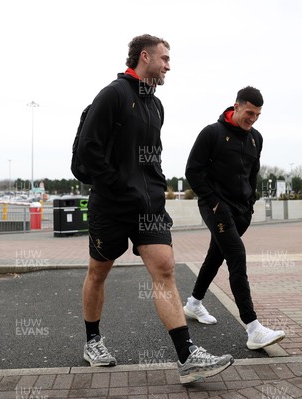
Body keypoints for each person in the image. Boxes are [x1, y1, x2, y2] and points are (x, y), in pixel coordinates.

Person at [77, 34, 233, 384]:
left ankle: (187, 356)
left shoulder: (155, 105)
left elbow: (153, 156)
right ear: (144, 57)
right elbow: (88, 150)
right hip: (112, 205)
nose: (168, 65)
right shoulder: (113, 95)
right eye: (164, 58)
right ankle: (92, 341)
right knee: (98, 272)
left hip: (148, 206)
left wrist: (157, 188)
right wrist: (118, 185)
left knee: (165, 268)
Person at [183, 86, 286, 350]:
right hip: (216, 207)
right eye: (249, 112)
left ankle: (193, 303)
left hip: (241, 211)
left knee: (215, 256)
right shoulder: (212, 133)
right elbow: (192, 171)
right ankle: (253, 329)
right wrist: (214, 202)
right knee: (236, 256)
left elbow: (253, 173)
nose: (253, 118)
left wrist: (250, 203)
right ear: (236, 106)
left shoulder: (256, 139)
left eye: (258, 115)